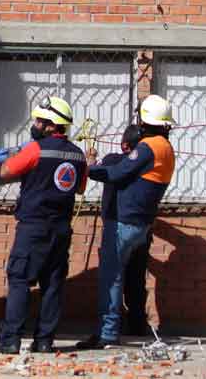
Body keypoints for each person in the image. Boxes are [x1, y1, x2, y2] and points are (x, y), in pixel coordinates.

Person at [0, 96, 87, 355]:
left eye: (40, 121)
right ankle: (44, 341)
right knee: (52, 284)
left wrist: (18, 154)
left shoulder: (35, 149)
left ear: (52, 125)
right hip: (61, 229)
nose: (36, 124)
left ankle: (10, 341)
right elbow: (81, 188)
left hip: (34, 227)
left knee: (19, 279)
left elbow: (5, 172)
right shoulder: (78, 154)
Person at [77, 95, 175, 349]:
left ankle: (107, 334)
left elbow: (117, 173)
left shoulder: (149, 146)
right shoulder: (166, 148)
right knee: (130, 278)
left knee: (111, 278)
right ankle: (129, 324)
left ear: (144, 120)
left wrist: (88, 168)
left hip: (124, 222)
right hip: (142, 224)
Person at [97, 124, 153, 337]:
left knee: (113, 277)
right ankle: (137, 324)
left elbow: (102, 168)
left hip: (116, 226)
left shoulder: (113, 161)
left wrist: (91, 161)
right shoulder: (147, 164)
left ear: (124, 145)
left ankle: (110, 328)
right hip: (141, 227)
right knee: (136, 278)